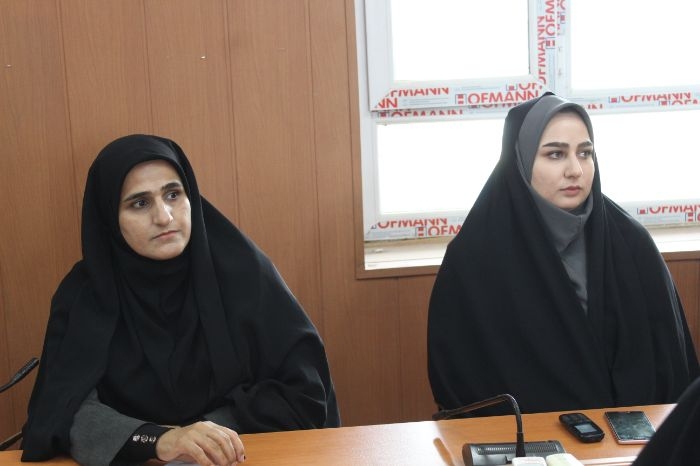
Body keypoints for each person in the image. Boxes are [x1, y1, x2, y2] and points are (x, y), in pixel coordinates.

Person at [21, 134, 340, 465]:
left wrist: (209, 434)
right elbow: (61, 411)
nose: (164, 217)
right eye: (139, 203)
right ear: (109, 218)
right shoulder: (84, 295)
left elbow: (304, 391)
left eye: (173, 194)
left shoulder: (244, 273)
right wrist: (159, 439)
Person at [428, 93, 699, 416]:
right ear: (520, 160)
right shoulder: (474, 257)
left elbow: (673, 367)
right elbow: (460, 383)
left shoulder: (631, 243)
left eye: (585, 153)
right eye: (555, 154)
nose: (575, 170)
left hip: (631, 437)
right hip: (517, 439)